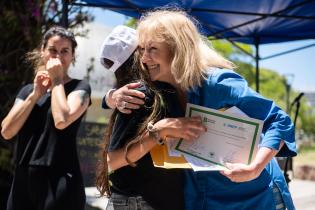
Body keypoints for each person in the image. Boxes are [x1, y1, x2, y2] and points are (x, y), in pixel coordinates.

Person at [104, 9, 297, 210]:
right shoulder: (162, 89)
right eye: (142, 49)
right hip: (204, 197)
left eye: (152, 49)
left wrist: (256, 168)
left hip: (254, 195)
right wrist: (111, 97)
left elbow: (278, 120)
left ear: (177, 48)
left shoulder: (218, 83)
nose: (144, 59)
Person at [96, 25, 206, 210]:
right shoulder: (139, 93)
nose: (148, 56)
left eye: (153, 49)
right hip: (140, 201)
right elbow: (113, 160)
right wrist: (160, 131)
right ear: (138, 57)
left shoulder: (164, 88)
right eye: (144, 49)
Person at [1, 26, 91, 210]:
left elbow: (62, 120)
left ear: (73, 55)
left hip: (60, 180)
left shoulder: (79, 87)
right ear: (42, 52)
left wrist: (57, 80)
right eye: (52, 50)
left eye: (65, 51)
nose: (57, 56)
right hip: (23, 180)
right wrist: (35, 95)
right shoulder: (28, 90)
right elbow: (7, 131)